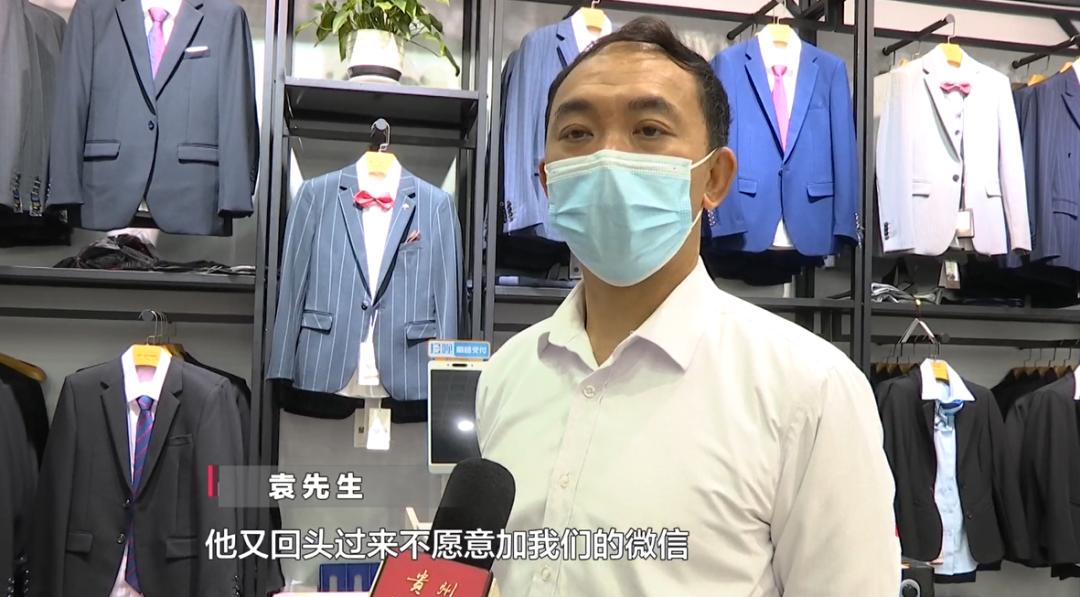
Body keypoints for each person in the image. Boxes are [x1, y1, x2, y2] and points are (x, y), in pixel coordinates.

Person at [475, 16, 900, 596]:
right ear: (547, 180)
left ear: (715, 178)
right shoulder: (506, 376)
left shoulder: (810, 391)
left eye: (649, 130)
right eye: (577, 133)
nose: (608, 157)